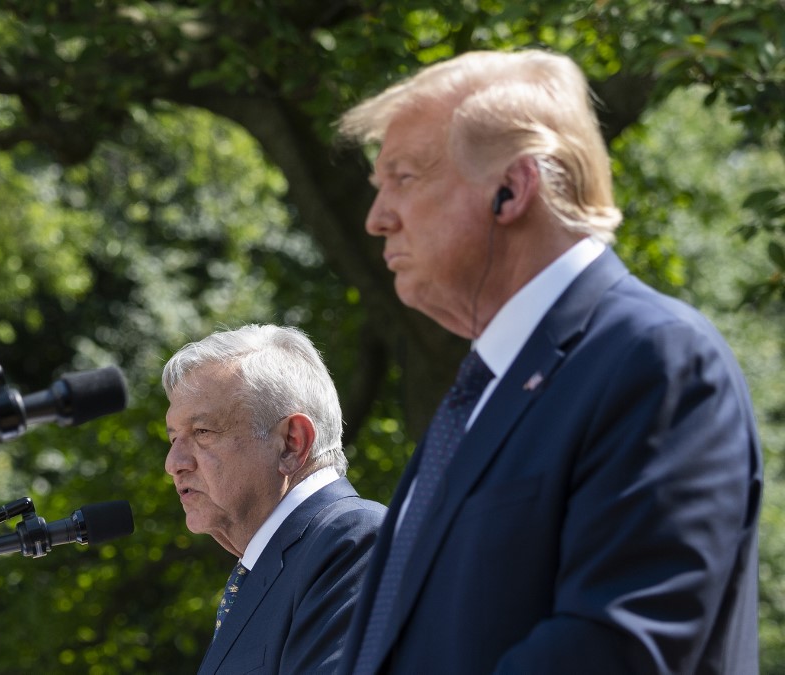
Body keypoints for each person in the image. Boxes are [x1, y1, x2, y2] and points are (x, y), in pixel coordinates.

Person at [334, 49, 763, 674]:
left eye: (403, 177)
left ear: (513, 188)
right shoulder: (483, 388)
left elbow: (611, 651)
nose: (377, 219)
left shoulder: (656, 359)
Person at [163, 324, 387, 674]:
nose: (173, 464)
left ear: (291, 443)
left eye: (202, 432)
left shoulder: (355, 540)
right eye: (174, 438)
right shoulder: (267, 567)